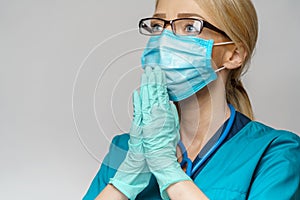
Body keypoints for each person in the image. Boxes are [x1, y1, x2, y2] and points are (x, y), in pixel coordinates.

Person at [83, 0, 300, 199]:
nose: (164, 41)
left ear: (233, 54)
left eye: (189, 27)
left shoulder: (275, 153)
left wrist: (168, 171)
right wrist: (125, 181)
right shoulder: (125, 150)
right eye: (158, 26)